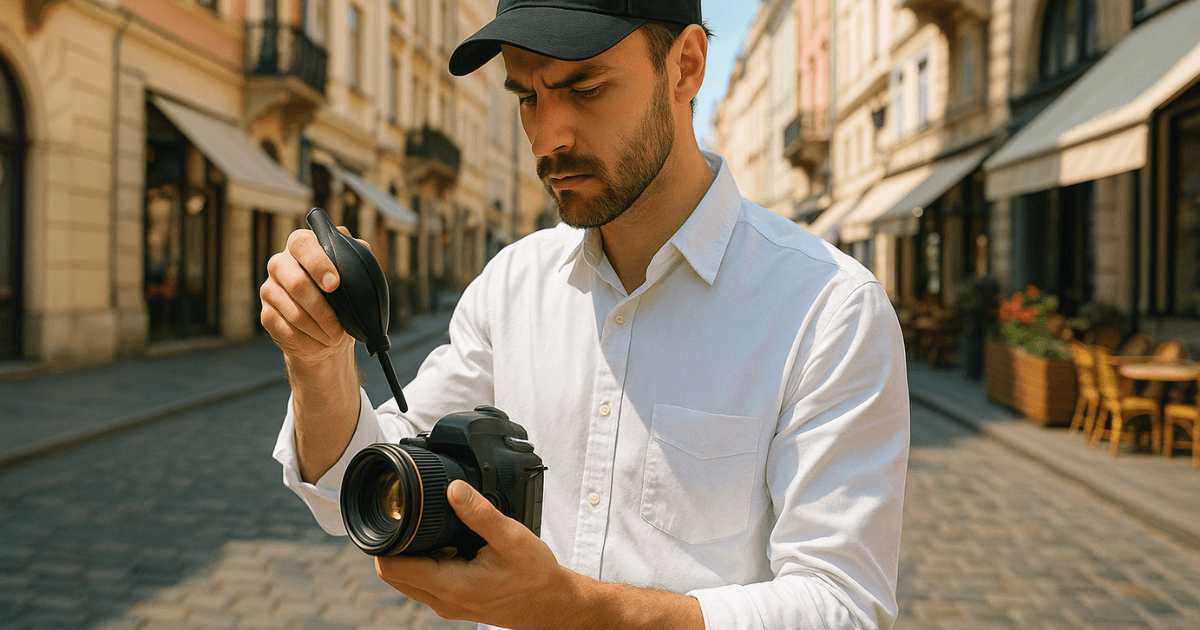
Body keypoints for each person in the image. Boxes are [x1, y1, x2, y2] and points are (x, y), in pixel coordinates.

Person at [262, 1, 910, 628]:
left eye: (586, 88)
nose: (548, 138)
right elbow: (359, 486)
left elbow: (842, 607)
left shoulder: (829, 308)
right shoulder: (512, 284)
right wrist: (319, 362)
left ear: (685, 67)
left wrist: (571, 612)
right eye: (527, 97)